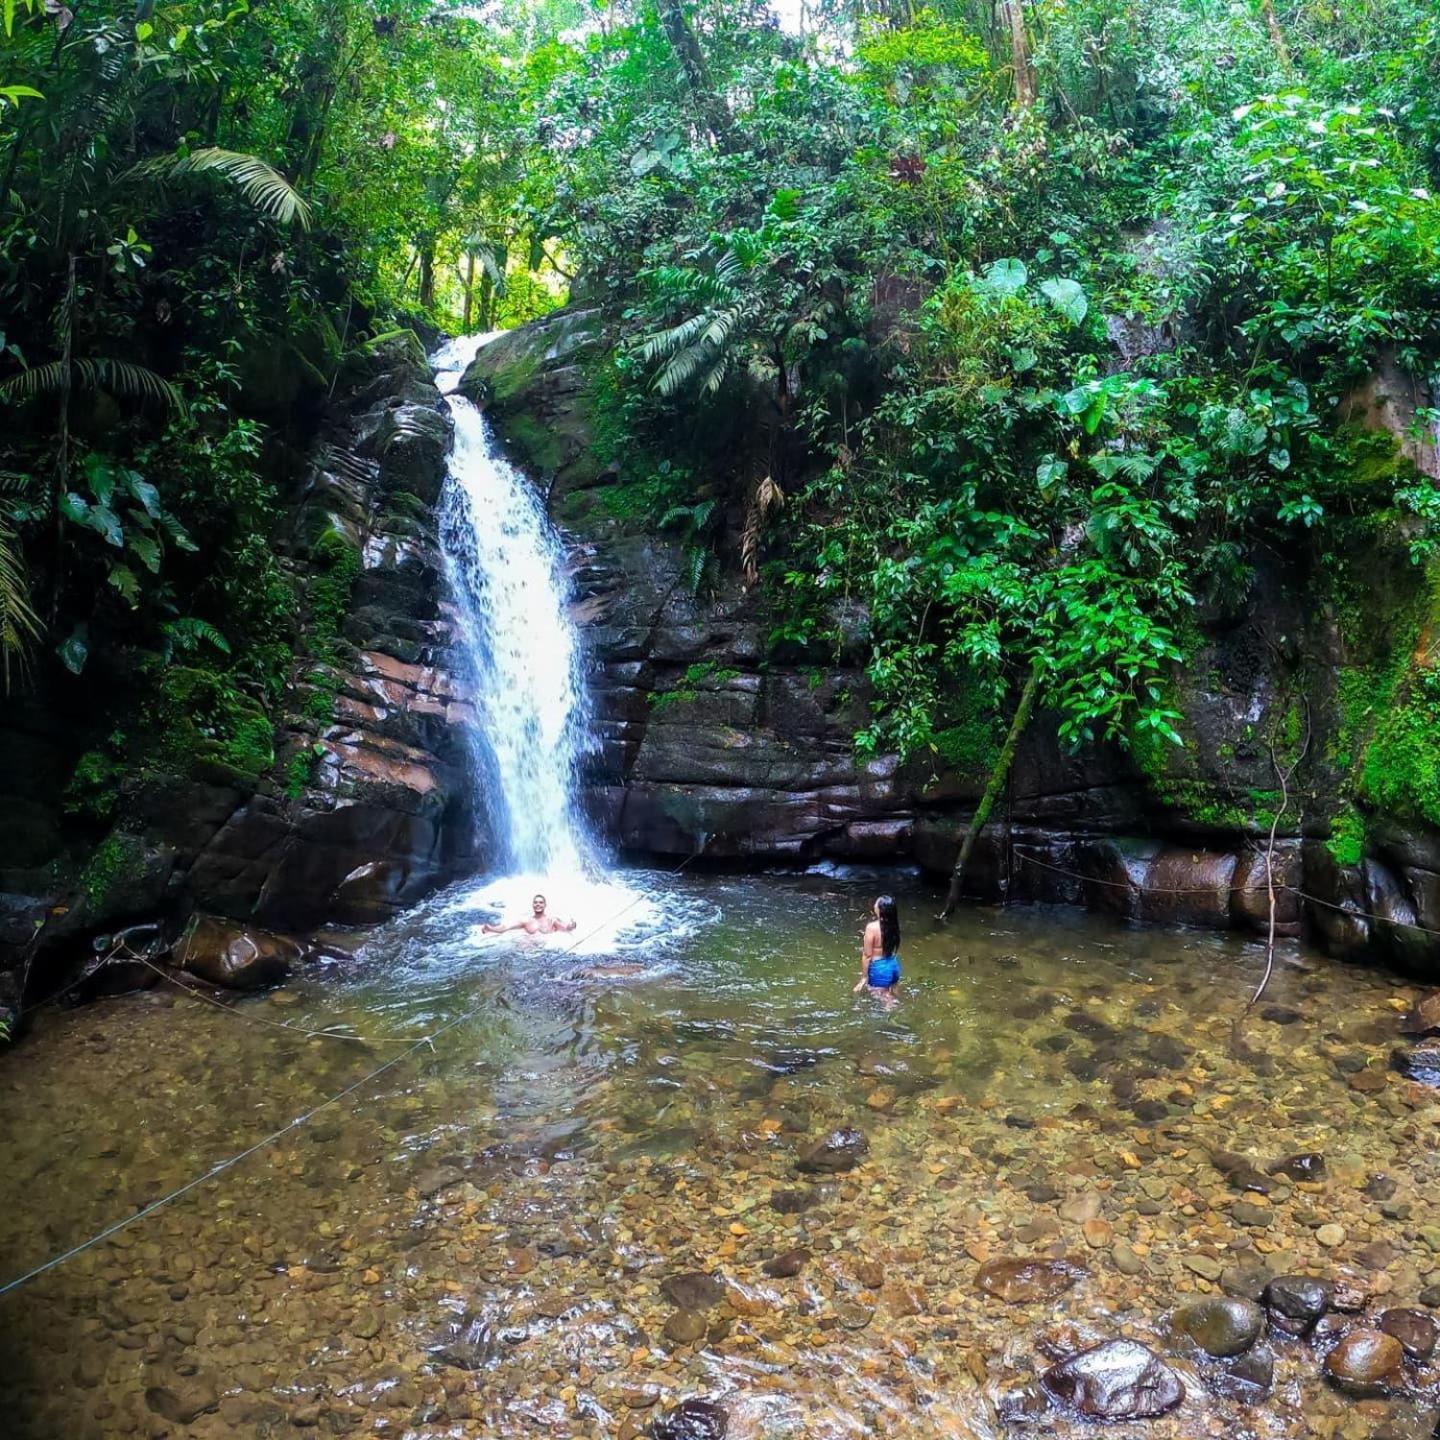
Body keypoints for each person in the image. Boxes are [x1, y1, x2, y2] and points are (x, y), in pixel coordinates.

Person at [853, 894, 901, 998]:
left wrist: (864, 978)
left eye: (876, 903)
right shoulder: (894, 925)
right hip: (893, 965)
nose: (874, 905)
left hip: (880, 969)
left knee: (886, 998)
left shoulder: (872, 927)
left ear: (880, 909)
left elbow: (867, 955)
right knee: (895, 993)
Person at [481, 893, 577, 936]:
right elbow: (506, 927)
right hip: (530, 954)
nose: (538, 904)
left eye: (540, 902)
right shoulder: (526, 921)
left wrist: (572, 925)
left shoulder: (552, 920)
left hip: (547, 952)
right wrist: (491, 928)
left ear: (545, 905)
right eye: (535, 902)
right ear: (532, 905)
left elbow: (566, 928)